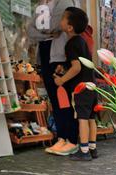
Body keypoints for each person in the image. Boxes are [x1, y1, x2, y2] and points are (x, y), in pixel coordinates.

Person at [28, 0, 80, 156]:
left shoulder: (63, 2)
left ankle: (71, 139)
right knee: (54, 98)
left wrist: (43, 31)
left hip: (58, 55)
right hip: (44, 53)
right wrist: (47, 33)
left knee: (63, 98)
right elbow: (30, 30)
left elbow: (58, 25)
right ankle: (61, 138)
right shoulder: (42, 5)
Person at [53, 7, 98, 161]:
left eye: (63, 19)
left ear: (69, 27)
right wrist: (64, 66)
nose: (60, 21)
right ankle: (92, 148)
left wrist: (62, 79)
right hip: (91, 85)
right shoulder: (82, 42)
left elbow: (76, 67)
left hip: (81, 87)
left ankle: (84, 151)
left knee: (82, 119)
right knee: (91, 118)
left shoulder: (71, 44)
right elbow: (80, 63)